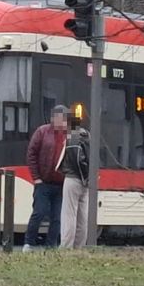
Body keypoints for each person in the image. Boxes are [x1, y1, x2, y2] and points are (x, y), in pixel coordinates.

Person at [23, 104, 69, 252]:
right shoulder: (42, 132)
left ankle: (51, 245)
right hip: (43, 182)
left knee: (57, 217)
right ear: (54, 118)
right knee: (39, 212)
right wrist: (36, 178)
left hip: (61, 183)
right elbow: (32, 154)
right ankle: (29, 242)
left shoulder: (70, 134)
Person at [59, 113, 90, 249]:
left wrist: (83, 177)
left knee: (69, 214)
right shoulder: (87, 136)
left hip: (73, 179)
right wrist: (88, 179)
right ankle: (79, 246)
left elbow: (77, 160)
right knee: (82, 217)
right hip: (86, 182)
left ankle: (66, 246)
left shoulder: (73, 138)